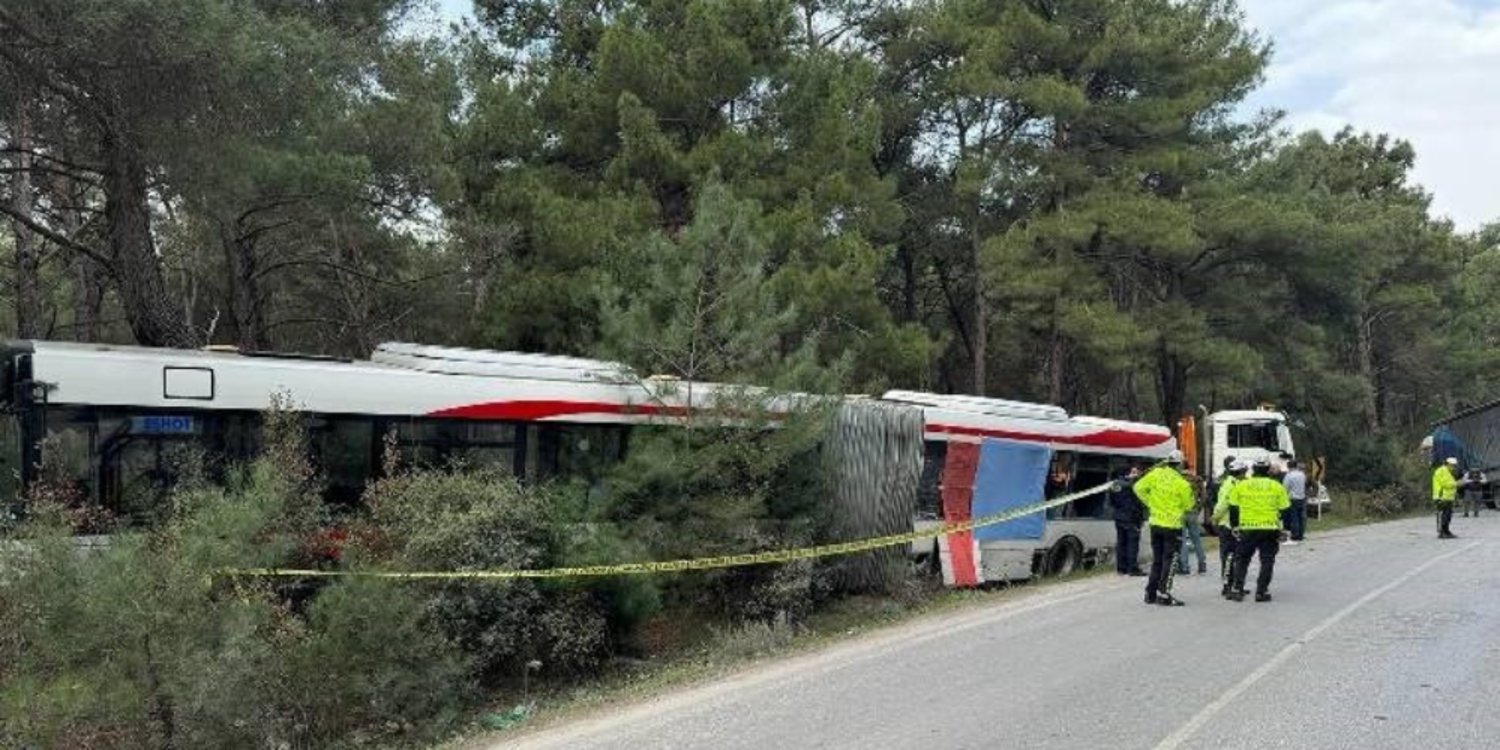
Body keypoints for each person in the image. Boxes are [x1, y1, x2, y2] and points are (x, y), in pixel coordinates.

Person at [1132, 450, 1197, 606]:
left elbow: (1137, 488)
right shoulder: (1182, 483)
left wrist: (1150, 503)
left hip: (1155, 523)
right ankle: (1164, 594)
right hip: (1172, 526)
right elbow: (1189, 505)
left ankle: (1150, 593)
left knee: (1158, 560)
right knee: (1170, 560)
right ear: (1180, 464)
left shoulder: (1155, 474)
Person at [1226, 457, 1291, 602]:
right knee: (1267, 560)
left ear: (1253, 469)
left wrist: (1235, 526)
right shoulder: (1276, 486)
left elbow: (1233, 507)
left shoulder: (1242, 485)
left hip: (1247, 528)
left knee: (1242, 559)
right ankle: (1261, 592)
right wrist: (1285, 529)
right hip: (1269, 528)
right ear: (1268, 470)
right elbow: (1286, 509)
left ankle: (1237, 589)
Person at [1212, 459, 1249, 597]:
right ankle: (1227, 587)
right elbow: (1222, 505)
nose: (1246, 474)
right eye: (1244, 471)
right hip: (1227, 525)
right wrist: (1215, 518)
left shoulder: (1237, 483)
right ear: (1240, 472)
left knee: (1238, 556)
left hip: (1238, 525)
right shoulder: (1230, 485)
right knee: (1228, 557)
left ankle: (1236, 585)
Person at [1109, 464, 1147, 576]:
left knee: (1121, 543)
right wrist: (1140, 517)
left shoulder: (1115, 484)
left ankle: (1121, 568)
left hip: (1119, 517)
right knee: (1132, 543)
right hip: (1131, 518)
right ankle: (1133, 568)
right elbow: (1139, 503)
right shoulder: (1133, 486)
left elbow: (1112, 502)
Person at [1176, 478, 1208, 576]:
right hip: (1193, 513)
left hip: (1181, 513)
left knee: (1183, 540)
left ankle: (1184, 567)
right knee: (1197, 539)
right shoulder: (1197, 481)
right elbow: (1204, 498)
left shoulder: (1179, 481)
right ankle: (1202, 565)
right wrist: (1198, 509)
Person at [1432, 457, 1460, 539]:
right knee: (1445, 515)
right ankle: (1442, 532)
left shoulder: (1447, 471)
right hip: (1442, 496)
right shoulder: (1442, 471)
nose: (1454, 468)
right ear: (1447, 464)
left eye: (1455, 466)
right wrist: (1457, 483)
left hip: (1447, 497)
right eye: (1453, 466)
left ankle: (1446, 531)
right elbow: (1446, 484)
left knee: (1448, 515)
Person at [1282, 460, 1308, 544]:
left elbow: (1285, 488)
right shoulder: (1302, 474)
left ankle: (1295, 535)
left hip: (1292, 498)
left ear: (1288, 466)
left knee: (1294, 518)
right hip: (1302, 497)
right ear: (1296, 465)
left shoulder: (1289, 475)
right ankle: (1301, 534)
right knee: (1301, 517)